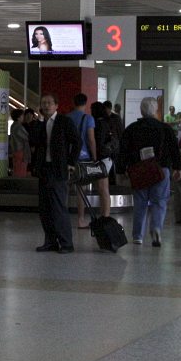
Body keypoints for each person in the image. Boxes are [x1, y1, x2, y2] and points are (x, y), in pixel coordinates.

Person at [120, 97, 181, 247]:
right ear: (156, 111)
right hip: (161, 169)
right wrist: (177, 167)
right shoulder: (165, 129)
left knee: (140, 202)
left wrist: (122, 169)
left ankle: (137, 236)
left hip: (138, 170)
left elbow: (123, 151)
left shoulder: (131, 129)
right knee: (159, 202)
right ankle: (156, 230)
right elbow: (175, 149)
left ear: (141, 110)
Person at [29, 93, 81, 253]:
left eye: (49, 103)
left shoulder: (64, 121)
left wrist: (71, 162)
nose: (46, 106)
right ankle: (50, 241)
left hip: (59, 169)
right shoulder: (40, 123)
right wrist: (38, 121)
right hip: (44, 169)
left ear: (56, 106)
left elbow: (77, 142)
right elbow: (33, 141)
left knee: (58, 206)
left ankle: (66, 243)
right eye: (43, 103)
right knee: (44, 208)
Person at [66, 93, 98, 228]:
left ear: (73, 102)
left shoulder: (66, 118)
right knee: (81, 190)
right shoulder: (88, 118)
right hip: (83, 157)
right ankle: (80, 219)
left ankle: (62, 217)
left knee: (64, 188)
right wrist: (95, 157)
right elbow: (91, 139)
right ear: (85, 103)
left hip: (67, 157)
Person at [90, 101, 118, 219]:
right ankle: (104, 214)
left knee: (102, 188)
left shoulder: (99, 124)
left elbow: (98, 142)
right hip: (108, 158)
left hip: (102, 158)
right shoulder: (107, 122)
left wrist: (95, 157)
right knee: (103, 188)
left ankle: (105, 215)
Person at [9, 108, 31, 177]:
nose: (23, 117)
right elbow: (27, 137)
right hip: (21, 151)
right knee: (20, 171)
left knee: (16, 169)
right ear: (18, 117)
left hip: (15, 150)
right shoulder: (18, 126)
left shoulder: (13, 126)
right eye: (22, 116)